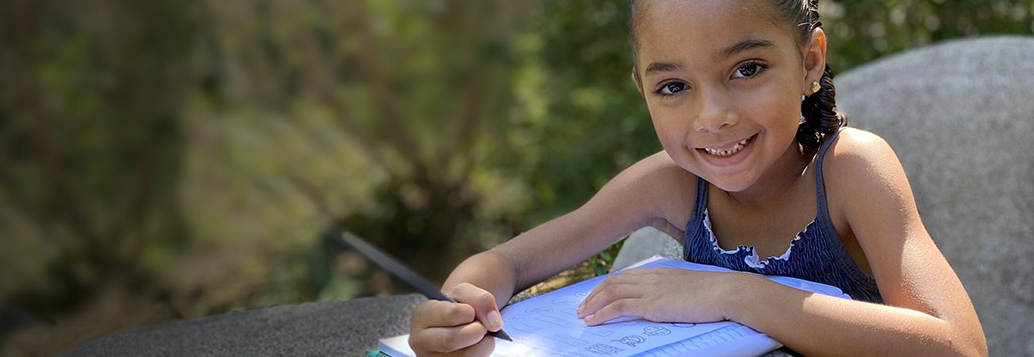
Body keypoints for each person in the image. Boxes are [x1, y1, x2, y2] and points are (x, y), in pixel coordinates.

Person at [407, 0, 988, 355]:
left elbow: (958, 346)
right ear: (643, 92)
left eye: (748, 69)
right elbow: (509, 263)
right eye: (674, 87)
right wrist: (461, 305)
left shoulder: (848, 171)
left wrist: (730, 294)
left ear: (809, 61)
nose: (713, 116)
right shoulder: (674, 183)